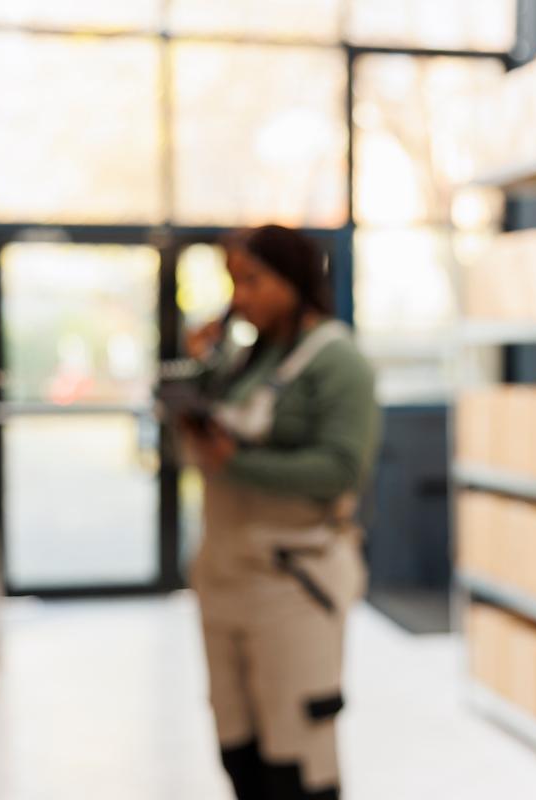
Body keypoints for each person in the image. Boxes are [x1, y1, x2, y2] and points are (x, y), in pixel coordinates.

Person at [180, 225, 380, 800]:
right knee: (237, 745)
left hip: (294, 584)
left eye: (252, 281)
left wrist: (238, 463)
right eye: (232, 283)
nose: (238, 297)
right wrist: (203, 365)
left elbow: (341, 469)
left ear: (294, 281)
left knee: (295, 760)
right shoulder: (248, 357)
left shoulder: (338, 361)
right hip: (225, 576)